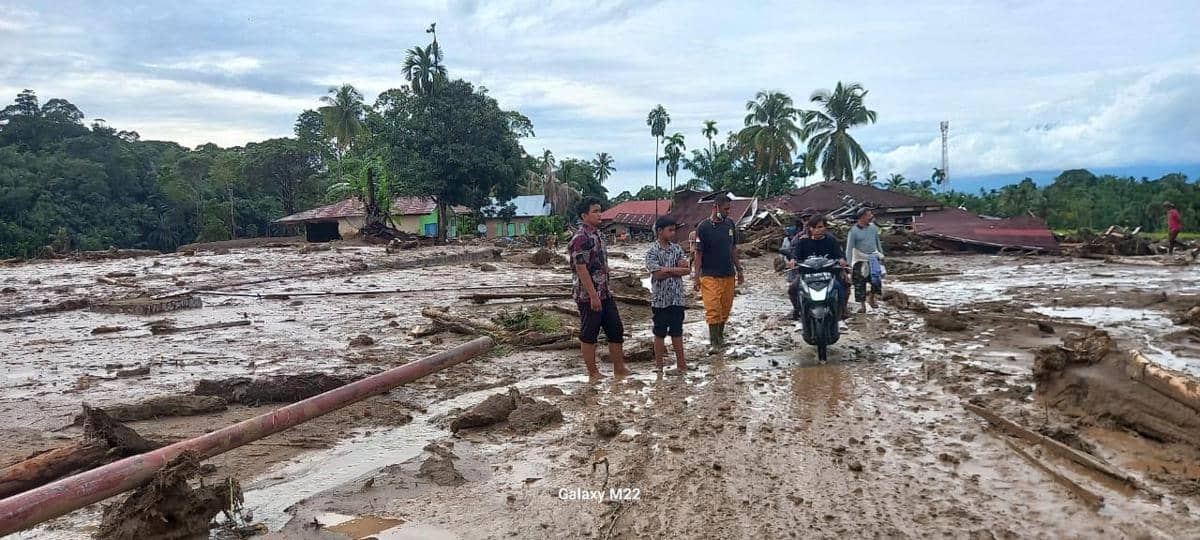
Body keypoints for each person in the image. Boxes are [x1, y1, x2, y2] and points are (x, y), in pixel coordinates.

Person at [568, 197, 629, 380]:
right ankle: (593, 373)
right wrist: (593, 295)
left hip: (605, 292)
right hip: (588, 295)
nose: (599, 214)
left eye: (599, 210)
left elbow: (598, 262)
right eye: (595, 211)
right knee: (589, 333)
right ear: (584, 215)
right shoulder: (580, 238)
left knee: (616, 329)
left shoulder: (599, 235)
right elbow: (580, 268)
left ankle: (619, 369)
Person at [693, 193, 744, 348]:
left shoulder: (730, 224)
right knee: (713, 309)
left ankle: (720, 338)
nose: (729, 212)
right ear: (715, 207)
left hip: (728, 274)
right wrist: (696, 277)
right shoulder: (703, 227)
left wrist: (739, 269)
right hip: (709, 275)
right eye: (726, 209)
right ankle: (714, 343)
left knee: (725, 309)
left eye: (729, 209)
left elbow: (733, 248)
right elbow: (698, 253)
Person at [645, 216, 690, 372]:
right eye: (670, 230)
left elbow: (687, 270)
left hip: (677, 298)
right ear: (659, 231)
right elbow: (657, 274)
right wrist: (675, 270)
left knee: (677, 331)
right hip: (660, 300)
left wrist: (666, 269)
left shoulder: (677, 249)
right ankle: (659, 366)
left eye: (674, 230)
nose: (673, 233)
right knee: (659, 333)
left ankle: (682, 364)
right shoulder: (652, 252)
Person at [788, 214, 850, 320]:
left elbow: (839, 254)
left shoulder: (831, 241)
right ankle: (797, 310)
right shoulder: (802, 241)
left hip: (828, 274)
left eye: (820, 227)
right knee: (792, 289)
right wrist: (792, 261)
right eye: (814, 227)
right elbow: (795, 255)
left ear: (825, 227)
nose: (817, 230)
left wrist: (841, 260)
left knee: (844, 286)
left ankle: (841, 311)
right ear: (810, 228)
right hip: (807, 274)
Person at [846, 208, 885, 313]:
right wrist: (849, 265)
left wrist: (882, 256)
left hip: (873, 257)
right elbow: (849, 248)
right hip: (860, 258)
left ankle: (872, 298)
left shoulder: (873, 228)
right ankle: (862, 305)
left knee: (876, 281)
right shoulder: (853, 231)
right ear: (862, 217)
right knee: (859, 283)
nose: (871, 217)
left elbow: (878, 243)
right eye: (869, 215)